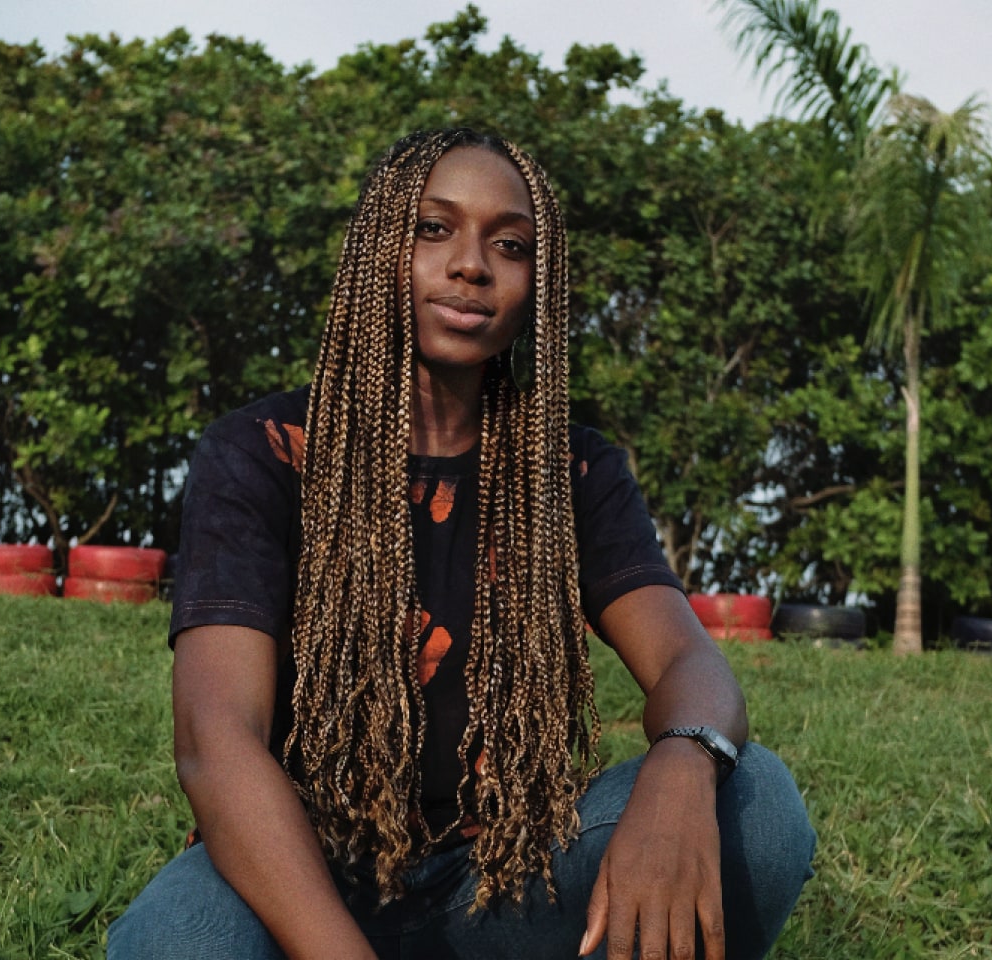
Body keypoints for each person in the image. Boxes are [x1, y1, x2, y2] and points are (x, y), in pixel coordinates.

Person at [107, 128, 815, 960]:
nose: (471, 264)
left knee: (756, 803)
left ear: (535, 281)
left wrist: (684, 768)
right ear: (379, 251)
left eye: (508, 244)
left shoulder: (572, 470)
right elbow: (214, 738)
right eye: (432, 229)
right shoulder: (261, 453)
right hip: (299, 880)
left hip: (506, 877)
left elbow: (688, 665)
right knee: (176, 941)